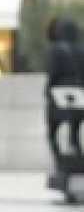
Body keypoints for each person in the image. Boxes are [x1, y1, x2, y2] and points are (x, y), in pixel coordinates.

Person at [45, 15, 84, 183]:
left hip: (59, 94)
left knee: (53, 132)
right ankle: (78, 166)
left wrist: (47, 91)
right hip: (79, 94)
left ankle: (61, 164)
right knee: (74, 133)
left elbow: (53, 74)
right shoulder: (81, 49)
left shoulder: (55, 49)